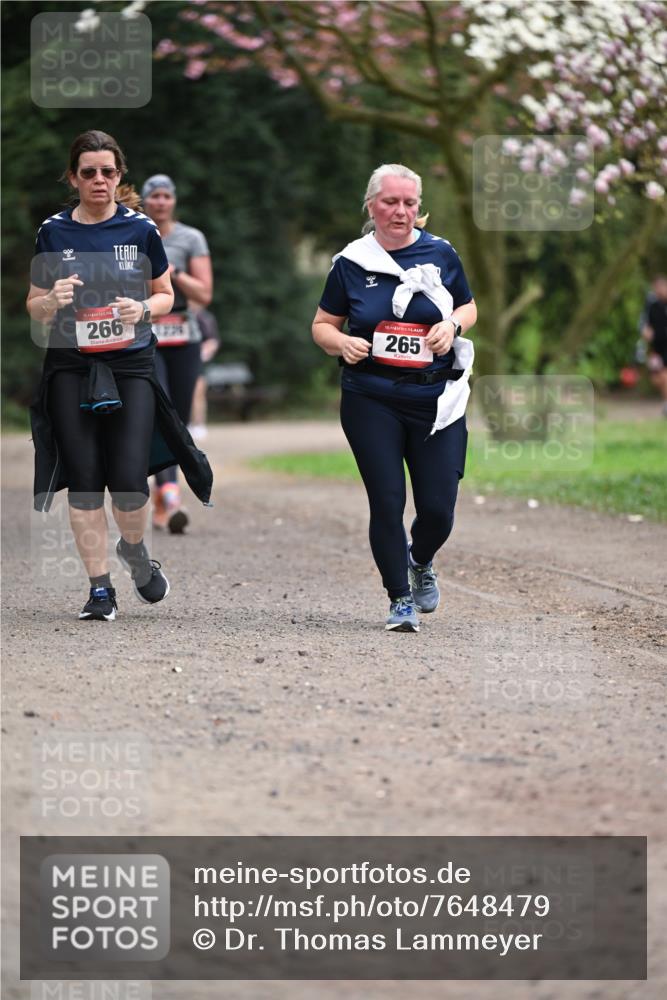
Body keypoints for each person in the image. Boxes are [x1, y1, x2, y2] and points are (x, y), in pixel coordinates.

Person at [27, 130, 213, 622]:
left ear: (119, 175)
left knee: (129, 478)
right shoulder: (53, 232)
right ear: (73, 178)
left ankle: (133, 548)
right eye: (88, 172)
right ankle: (100, 590)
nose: (99, 180)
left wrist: (142, 309)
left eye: (107, 171)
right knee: (85, 479)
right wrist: (51, 300)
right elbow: (34, 304)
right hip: (70, 365)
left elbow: (165, 294)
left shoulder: (141, 230)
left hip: (130, 364)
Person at [312, 164, 476, 633]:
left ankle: (419, 560)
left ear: (418, 207)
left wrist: (452, 325)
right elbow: (322, 325)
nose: (400, 211)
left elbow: (467, 305)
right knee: (387, 501)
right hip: (371, 397)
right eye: (390, 202)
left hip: (436, 398)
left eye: (409, 203)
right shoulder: (351, 262)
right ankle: (399, 599)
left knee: (438, 509)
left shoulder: (440, 253)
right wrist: (341, 343)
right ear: (371, 206)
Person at [141, 174, 213, 531]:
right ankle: (170, 497)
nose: (160, 202)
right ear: (144, 201)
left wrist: (174, 273)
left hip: (185, 336)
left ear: (174, 201)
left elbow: (205, 294)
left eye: (166, 196)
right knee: (162, 411)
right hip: (148, 336)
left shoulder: (191, 238)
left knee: (180, 418)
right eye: (154, 196)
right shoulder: (135, 234)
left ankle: (162, 496)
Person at [188, 308, 221, 441]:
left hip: (196, 359)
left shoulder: (204, 317)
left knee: (198, 393)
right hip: (181, 358)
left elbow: (212, 341)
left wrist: (202, 354)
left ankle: (198, 424)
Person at [641, 274, 667, 415]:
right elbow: (645, 323)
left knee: (664, 374)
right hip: (656, 346)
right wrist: (646, 331)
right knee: (656, 378)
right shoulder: (652, 305)